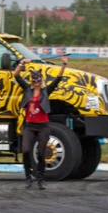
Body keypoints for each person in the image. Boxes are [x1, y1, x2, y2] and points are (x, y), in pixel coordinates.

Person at [13, 54, 68, 190]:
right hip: (29, 126)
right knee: (25, 150)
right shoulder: (27, 90)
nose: (36, 82)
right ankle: (28, 177)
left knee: (42, 153)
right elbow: (16, 75)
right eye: (34, 80)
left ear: (41, 80)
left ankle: (41, 179)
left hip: (43, 126)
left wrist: (64, 64)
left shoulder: (45, 91)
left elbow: (58, 79)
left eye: (38, 80)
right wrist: (22, 63)